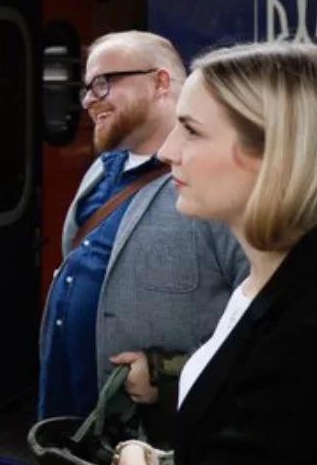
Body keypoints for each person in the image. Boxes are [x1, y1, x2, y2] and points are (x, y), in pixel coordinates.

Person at [75, 42, 317, 465]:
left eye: (190, 131)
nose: (169, 152)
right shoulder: (270, 281)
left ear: (274, 150)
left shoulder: (304, 338)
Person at [38, 31, 246, 444]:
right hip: (72, 419)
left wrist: (167, 373)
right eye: (86, 88)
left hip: (151, 443)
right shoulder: (101, 170)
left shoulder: (216, 183)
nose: (88, 100)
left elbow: (266, 321)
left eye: (103, 83)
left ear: (161, 82)